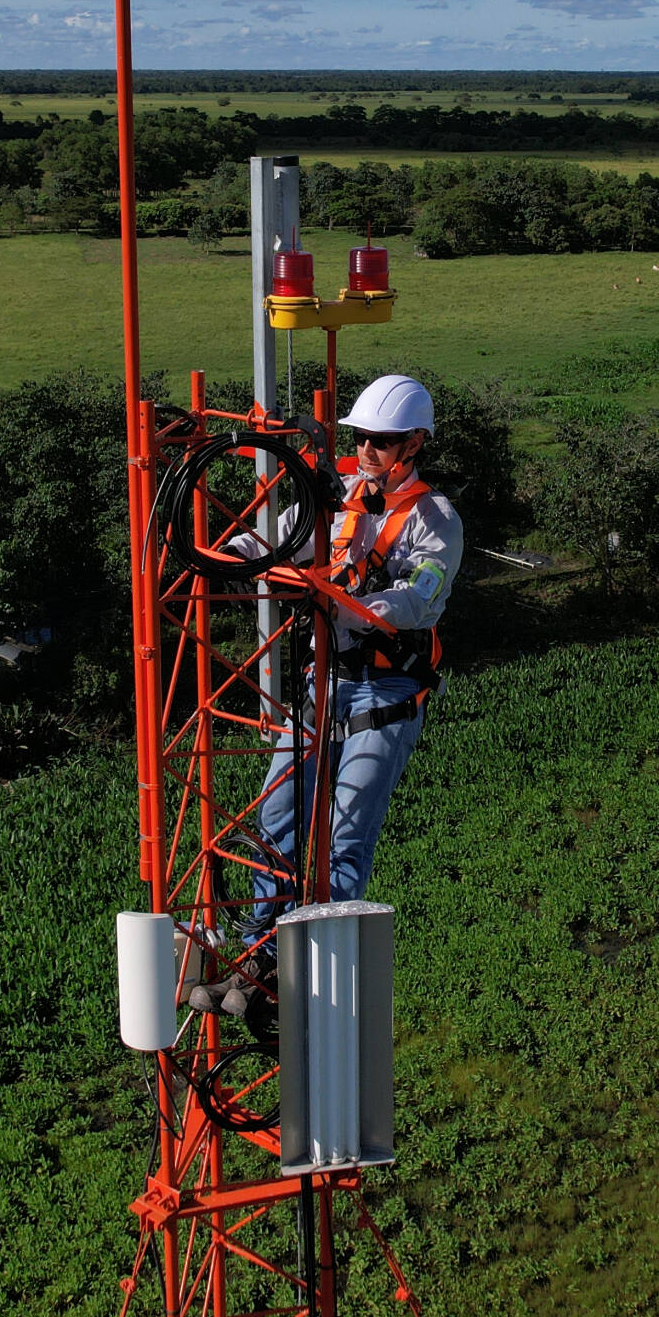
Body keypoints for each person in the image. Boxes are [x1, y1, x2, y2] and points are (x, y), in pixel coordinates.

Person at [246, 373, 460, 954]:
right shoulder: (337, 496)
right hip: (325, 679)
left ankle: (317, 956)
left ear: (413, 444)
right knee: (279, 813)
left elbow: (421, 596)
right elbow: (281, 539)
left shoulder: (435, 519)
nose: (366, 450)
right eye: (361, 438)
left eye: (381, 441)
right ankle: (261, 941)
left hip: (384, 692)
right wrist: (227, 556)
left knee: (347, 832)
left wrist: (350, 609)